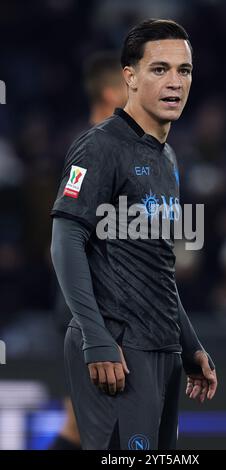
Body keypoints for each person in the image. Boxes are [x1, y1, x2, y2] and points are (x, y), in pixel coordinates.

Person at [50, 18, 218, 450]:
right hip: (119, 351)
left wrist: (190, 344)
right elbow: (65, 241)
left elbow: (157, 266)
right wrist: (96, 338)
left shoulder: (167, 159)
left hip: (162, 349)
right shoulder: (100, 146)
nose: (175, 82)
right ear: (130, 76)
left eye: (184, 70)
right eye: (159, 69)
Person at [49, 52, 127, 451]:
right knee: (91, 426)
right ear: (113, 91)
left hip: (112, 305)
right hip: (92, 307)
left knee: (86, 424)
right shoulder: (91, 149)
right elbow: (67, 236)